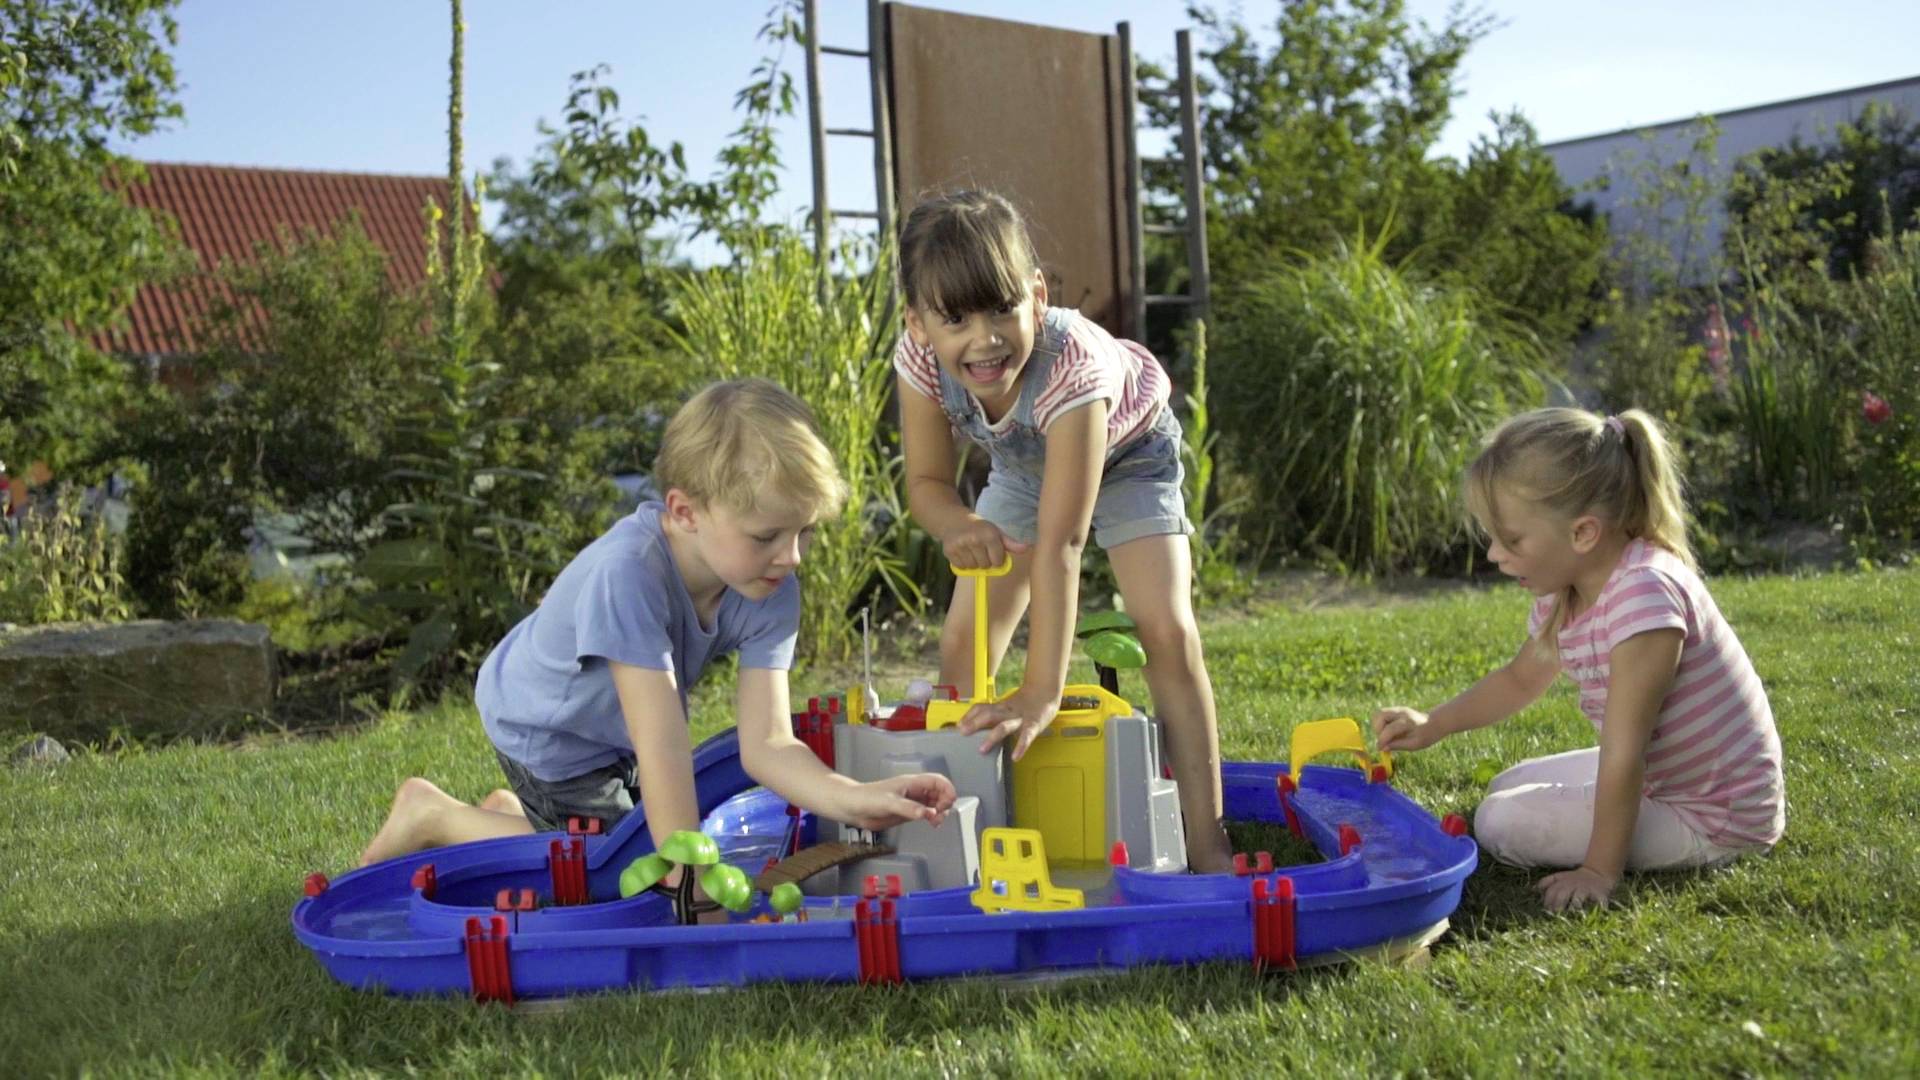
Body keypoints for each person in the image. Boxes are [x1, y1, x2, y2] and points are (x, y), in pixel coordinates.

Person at [360, 379, 956, 870]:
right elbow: (663, 748)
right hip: (547, 730)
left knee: (632, 841)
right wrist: (691, 884)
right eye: (767, 535)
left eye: (805, 531)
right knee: (609, 867)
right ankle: (435, 816)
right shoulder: (629, 574)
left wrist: (854, 799)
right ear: (685, 512)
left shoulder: (767, 580)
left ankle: (509, 818)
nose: (793, 555)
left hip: (608, 730)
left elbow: (769, 744)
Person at [892, 189, 1232, 873]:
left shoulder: (1072, 362)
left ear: (1037, 296)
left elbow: (1061, 545)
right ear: (919, 324)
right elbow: (925, 482)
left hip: (1129, 454)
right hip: (1024, 467)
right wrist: (958, 524)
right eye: (955, 318)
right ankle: (969, 836)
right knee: (964, 638)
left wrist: (1042, 689)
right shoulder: (920, 362)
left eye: (1002, 309)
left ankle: (1208, 841)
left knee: (1166, 629)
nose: (984, 338)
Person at [1373, 407, 1784, 911]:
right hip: (1667, 777)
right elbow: (1520, 680)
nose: (1494, 555)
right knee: (1507, 784)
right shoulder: (1569, 589)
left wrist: (1598, 872)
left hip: (1715, 815)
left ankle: (1636, 849)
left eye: (1512, 539)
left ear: (1583, 533)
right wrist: (1434, 723)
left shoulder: (1644, 595)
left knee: (1500, 822)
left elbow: (1624, 753)